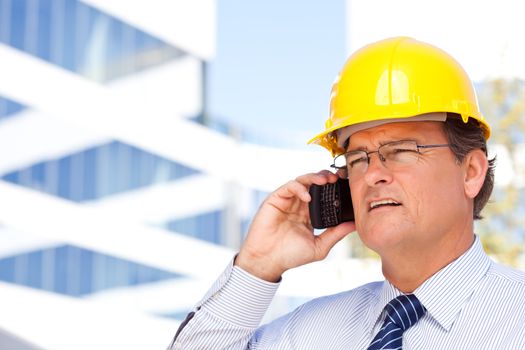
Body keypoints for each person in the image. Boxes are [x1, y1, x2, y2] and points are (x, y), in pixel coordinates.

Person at [168, 37, 525, 349]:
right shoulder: (307, 333)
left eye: (400, 151)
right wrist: (257, 267)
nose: (372, 175)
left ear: (471, 171)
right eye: (356, 159)